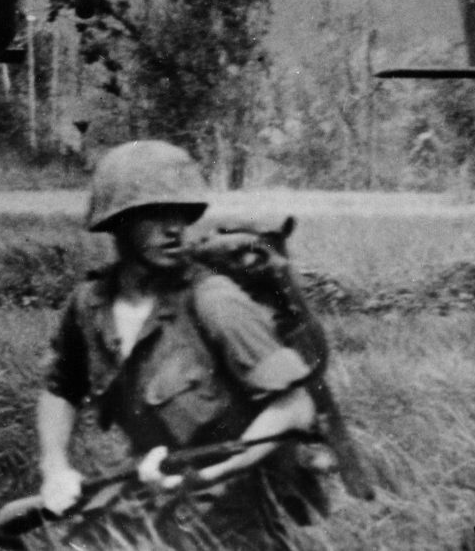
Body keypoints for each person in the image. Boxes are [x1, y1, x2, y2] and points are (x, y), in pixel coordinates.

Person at [36, 141, 323, 551]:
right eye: (155, 214)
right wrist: (55, 468)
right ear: (118, 222)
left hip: (236, 513)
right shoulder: (89, 304)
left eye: (181, 213)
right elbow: (59, 387)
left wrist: (208, 475)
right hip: (151, 497)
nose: (174, 228)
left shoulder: (215, 302)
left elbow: (295, 406)